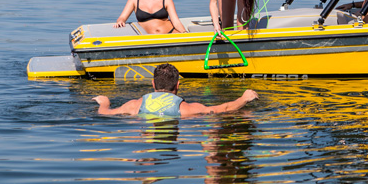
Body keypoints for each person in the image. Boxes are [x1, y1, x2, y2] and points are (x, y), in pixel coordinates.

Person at [93, 63, 259, 117]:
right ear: (177, 85)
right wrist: (243, 98)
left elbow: (104, 113)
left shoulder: (134, 105)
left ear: (153, 84)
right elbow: (223, 109)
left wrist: (105, 102)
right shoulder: (185, 109)